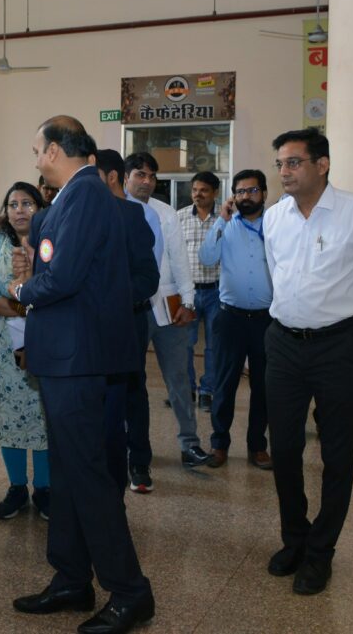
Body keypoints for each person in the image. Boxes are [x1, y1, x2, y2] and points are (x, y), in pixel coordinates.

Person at [10, 116, 154, 634]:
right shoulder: (72, 198)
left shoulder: (86, 194)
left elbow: (63, 277)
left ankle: (131, 591)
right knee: (69, 471)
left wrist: (22, 291)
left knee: (88, 475)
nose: (35, 159)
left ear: (53, 150)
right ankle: (72, 577)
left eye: (36, 150)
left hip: (77, 359)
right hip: (65, 356)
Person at [263, 127, 353, 595]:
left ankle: (321, 552)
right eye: (280, 163)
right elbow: (276, 274)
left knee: (337, 452)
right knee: (284, 448)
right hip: (283, 343)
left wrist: (352, 330)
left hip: (337, 345)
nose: (284, 171)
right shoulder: (274, 217)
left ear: (322, 165)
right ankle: (294, 538)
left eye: (294, 162)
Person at [125, 151, 210, 489]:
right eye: (140, 175)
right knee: (131, 383)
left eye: (151, 176)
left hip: (169, 305)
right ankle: (133, 450)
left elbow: (179, 259)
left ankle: (189, 444)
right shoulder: (115, 210)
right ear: (125, 177)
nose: (147, 182)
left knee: (179, 378)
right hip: (131, 309)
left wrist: (188, 301)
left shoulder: (165, 213)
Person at [0, 182, 50, 520]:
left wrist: (32, 303)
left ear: (40, 208)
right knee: (9, 417)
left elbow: (59, 287)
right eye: (13, 204)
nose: (19, 210)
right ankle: (17, 486)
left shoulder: (51, 242)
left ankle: (44, 488)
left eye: (27, 203)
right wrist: (25, 307)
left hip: (46, 343)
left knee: (43, 417)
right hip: (3, 348)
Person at [94, 148, 161, 494]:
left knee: (133, 392)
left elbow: (148, 278)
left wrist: (110, 297)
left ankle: (139, 462)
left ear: (110, 177)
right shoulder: (83, 215)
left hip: (128, 320)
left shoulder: (136, 216)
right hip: (90, 326)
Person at [198, 169, 273, 471]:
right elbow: (206, 258)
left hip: (267, 320)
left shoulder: (276, 225)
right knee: (225, 383)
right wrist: (221, 220)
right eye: (240, 191)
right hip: (230, 318)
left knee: (263, 387)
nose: (246, 196)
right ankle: (219, 444)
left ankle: (257, 446)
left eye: (252, 190)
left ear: (264, 193)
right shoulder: (225, 225)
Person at [179, 171, 221, 412]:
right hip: (189, 293)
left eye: (204, 190)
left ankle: (208, 390)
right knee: (185, 343)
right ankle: (188, 389)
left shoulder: (225, 219)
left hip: (216, 291)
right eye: (195, 190)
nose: (198, 194)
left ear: (215, 192)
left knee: (214, 345)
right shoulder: (180, 217)